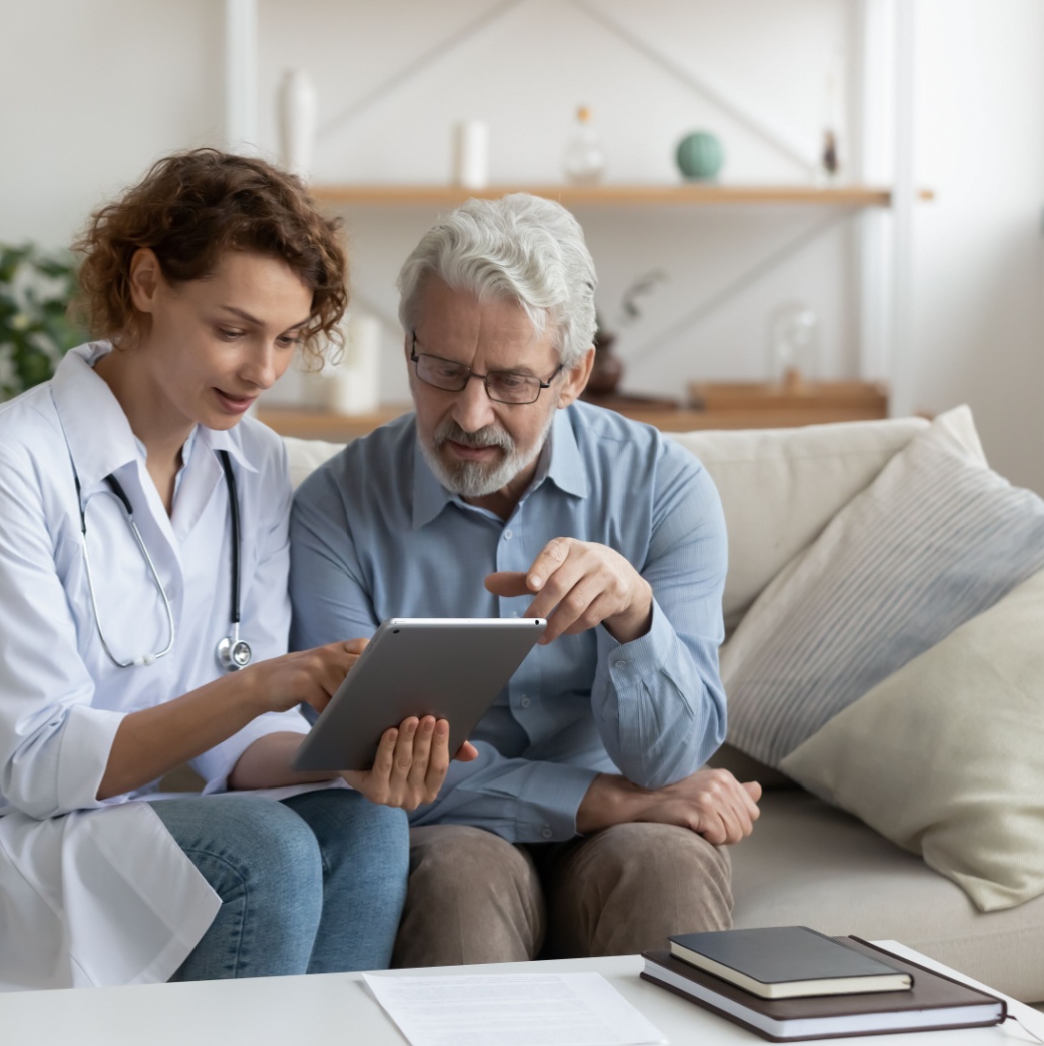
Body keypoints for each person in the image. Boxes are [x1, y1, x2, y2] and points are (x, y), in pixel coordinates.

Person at [0, 149, 472, 994]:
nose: (262, 373)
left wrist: (346, 756)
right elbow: (46, 768)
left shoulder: (255, 464)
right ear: (148, 282)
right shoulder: (10, 461)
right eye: (232, 331)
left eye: (286, 340)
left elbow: (232, 751)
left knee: (365, 828)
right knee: (261, 851)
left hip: (106, 826)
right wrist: (275, 680)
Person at [289, 194, 763, 969]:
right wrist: (598, 799)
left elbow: (671, 759)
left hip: (629, 827)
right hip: (450, 832)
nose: (470, 414)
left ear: (573, 374)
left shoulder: (664, 487)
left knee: (666, 864)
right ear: (409, 346)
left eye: (511, 382)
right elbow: (356, 765)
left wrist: (636, 616)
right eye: (442, 369)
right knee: (457, 886)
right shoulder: (334, 508)